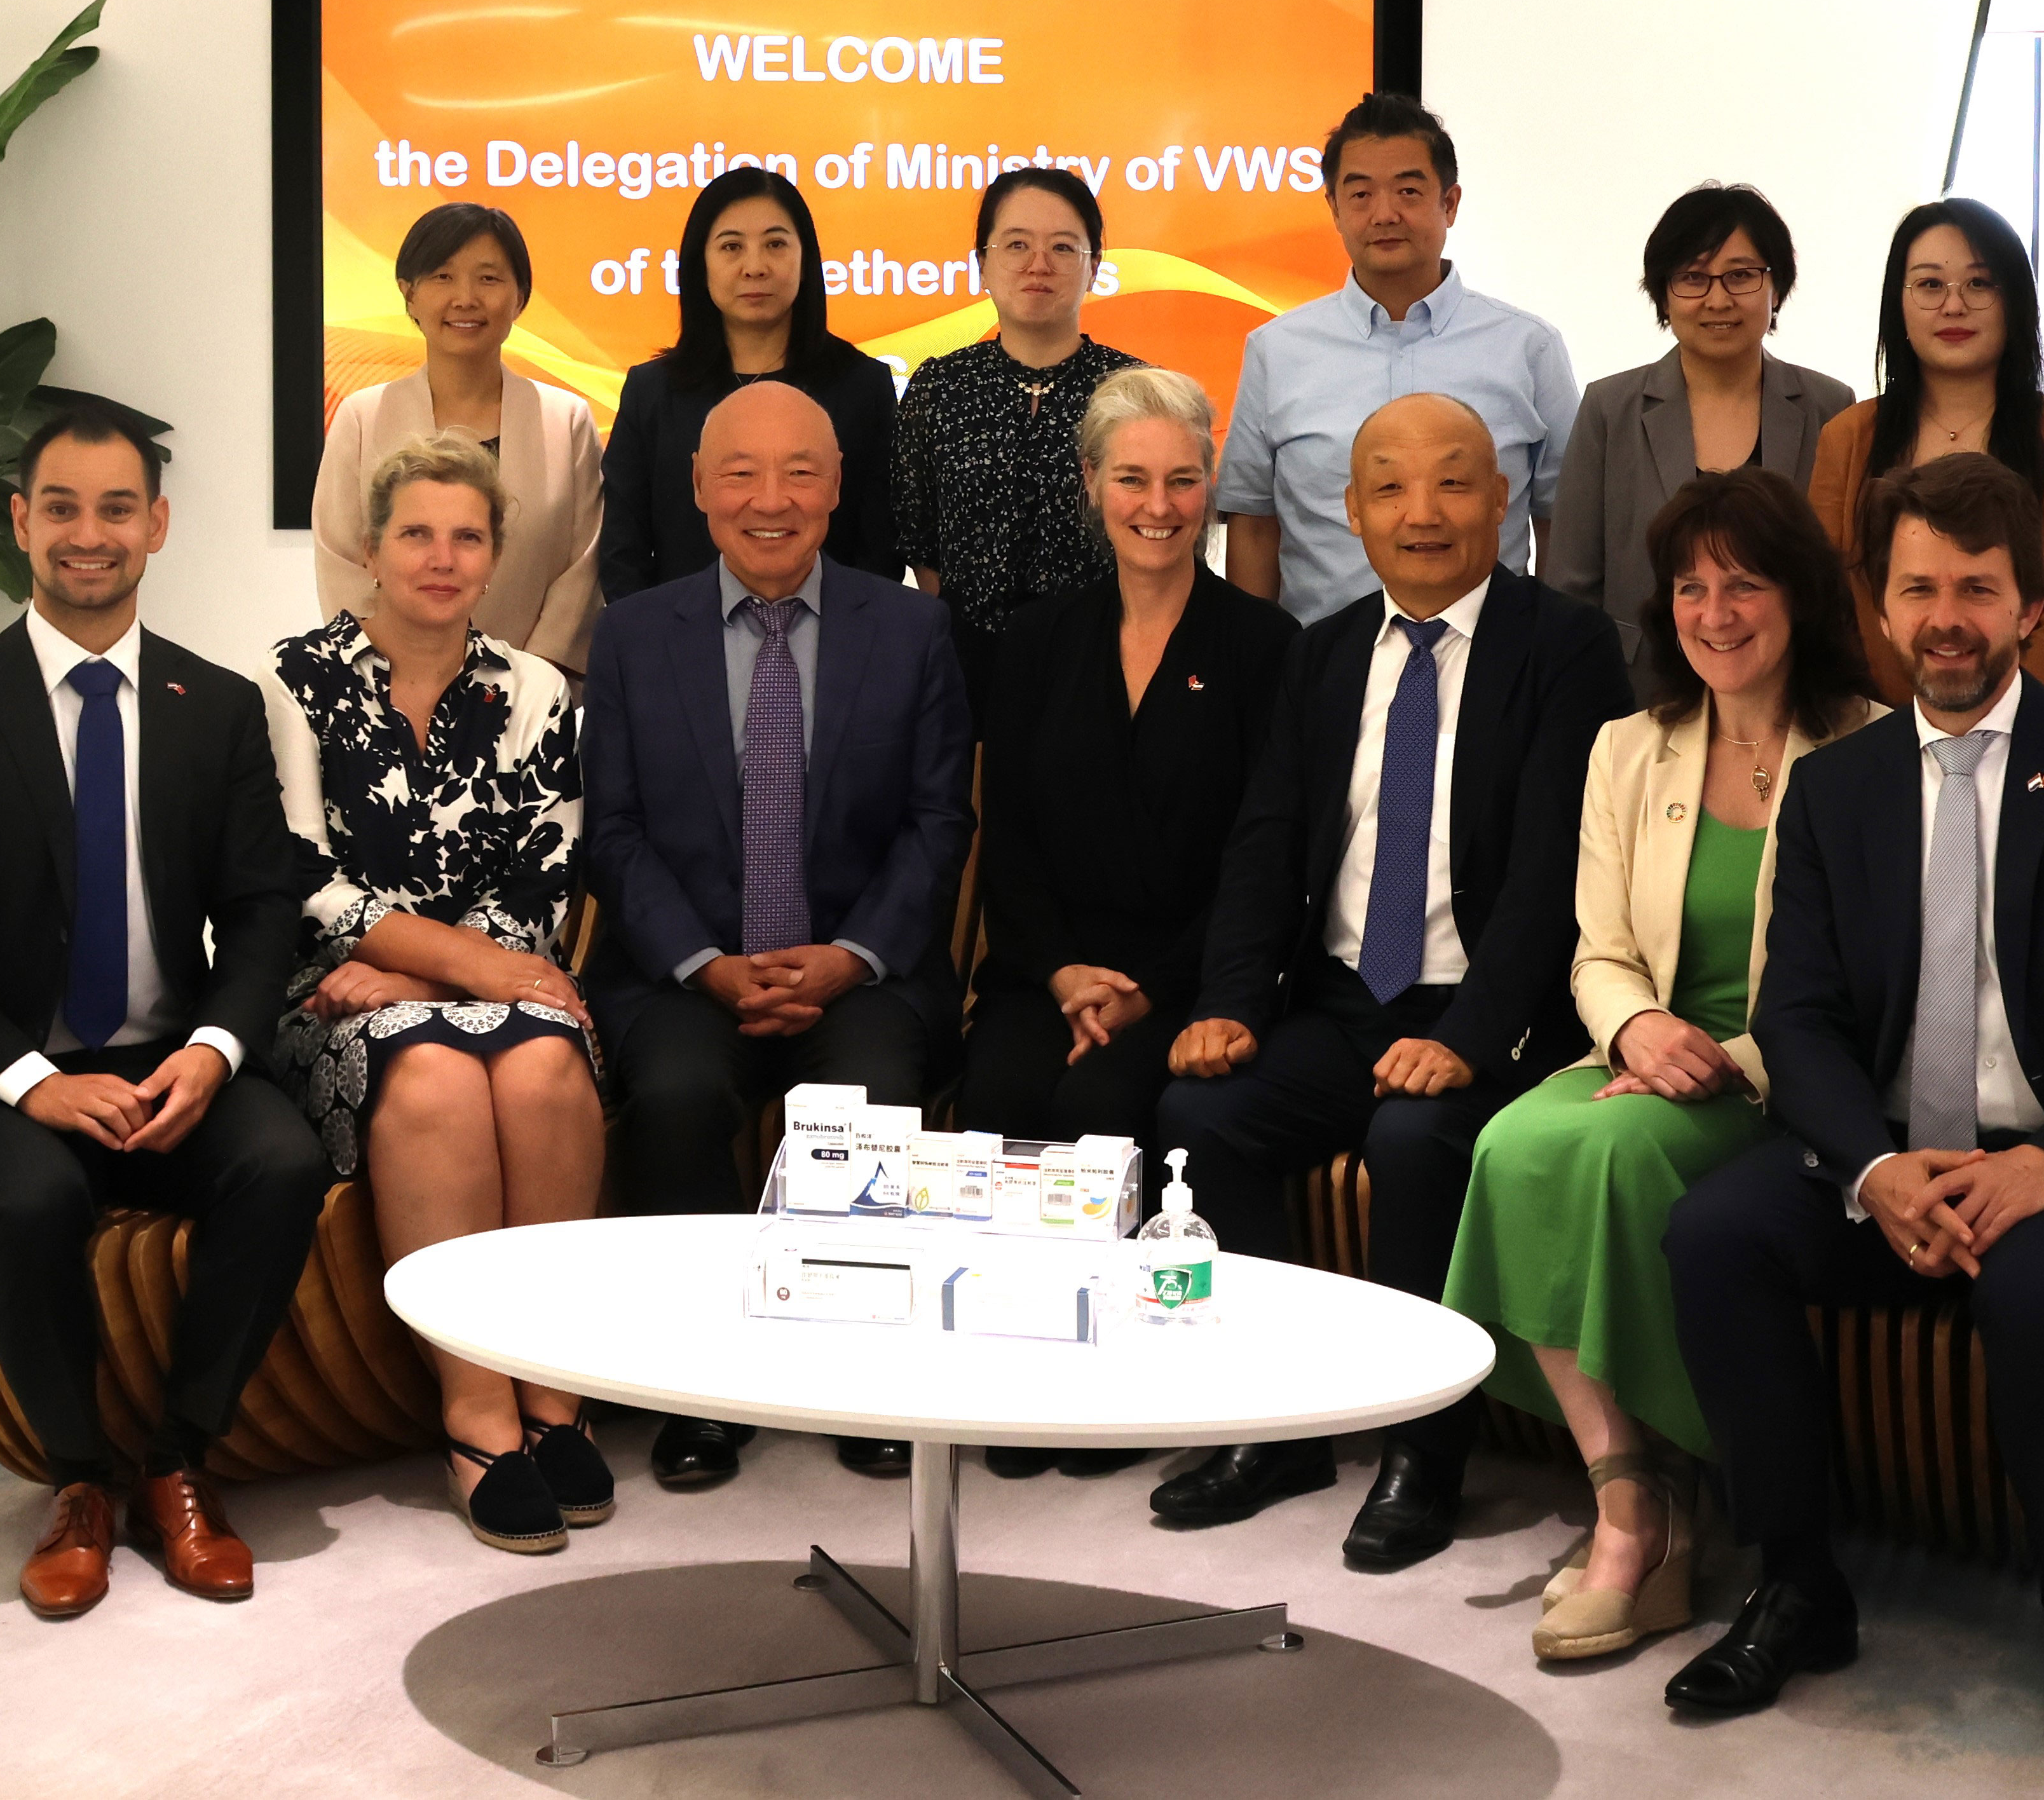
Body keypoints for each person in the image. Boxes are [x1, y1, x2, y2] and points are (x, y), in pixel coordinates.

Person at [1662, 451, 2044, 1752]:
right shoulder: (1837, 784)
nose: (1945, 618)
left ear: (2033, 605)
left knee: (2041, 1286)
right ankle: (1797, 1581)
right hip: (1891, 1156)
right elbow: (1795, 1013)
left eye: (1976, 587)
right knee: (1714, 1234)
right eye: (1918, 589)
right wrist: (1872, 1168)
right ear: (1880, 603)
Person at [0, 402, 332, 1621]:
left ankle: (178, 1460)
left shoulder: (213, 705)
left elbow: (261, 906)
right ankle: (76, 1483)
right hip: (2, 1076)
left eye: (117, 508)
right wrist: (32, 1083)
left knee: (281, 1162)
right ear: (21, 522)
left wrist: (216, 1051)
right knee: (31, 1198)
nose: (88, 534)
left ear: (156, 525)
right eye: (61, 507)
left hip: (169, 1060)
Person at [1150, 393, 1630, 1567]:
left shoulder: (1564, 646)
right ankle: (1279, 1425)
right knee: (1202, 1114)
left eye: (1455, 481)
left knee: (1416, 1142)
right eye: (1391, 487)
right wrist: (1226, 1003)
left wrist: (1468, 1035)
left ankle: (1425, 1452)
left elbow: (1553, 872)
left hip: (1492, 1013)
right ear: (1351, 511)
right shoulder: (1320, 653)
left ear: (1502, 500)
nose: (1424, 512)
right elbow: (1266, 843)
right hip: (1345, 1001)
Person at [1445, 466, 1881, 1662]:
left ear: (1798, 596)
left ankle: (1660, 1514)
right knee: (1512, 1143)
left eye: (1743, 585)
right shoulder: (1628, 748)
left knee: (1612, 1151)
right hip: (1639, 1054)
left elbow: (1872, 981)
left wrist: (1727, 1059)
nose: (1715, 613)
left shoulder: (1871, 747)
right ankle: (1633, 1497)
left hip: (1790, 1072)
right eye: (1691, 588)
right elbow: (1598, 950)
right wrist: (1637, 1030)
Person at [585, 381, 972, 1490]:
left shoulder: (910, 629)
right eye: (741, 474)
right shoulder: (631, 635)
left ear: (837, 486)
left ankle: (857, 1377)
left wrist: (852, 956)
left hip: (859, 969)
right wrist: (705, 965)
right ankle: (701, 1389)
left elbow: (938, 821)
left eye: (800, 471)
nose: (771, 499)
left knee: (869, 1097)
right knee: (673, 1096)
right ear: (698, 488)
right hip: (684, 972)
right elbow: (612, 831)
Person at [266, 433, 607, 1553]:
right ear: (370, 548)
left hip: (479, 971)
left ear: (495, 554)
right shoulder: (293, 677)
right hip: (331, 993)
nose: (442, 557)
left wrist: (427, 968)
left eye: (467, 536)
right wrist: (447, 973)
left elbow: (542, 880)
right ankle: (476, 1415)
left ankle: (552, 1392)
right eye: (416, 532)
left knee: (545, 1064)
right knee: (436, 1078)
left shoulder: (534, 688)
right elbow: (304, 877)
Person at [957, 369, 1297, 1478]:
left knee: (1105, 1105)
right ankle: (1017, 1374)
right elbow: (1007, 835)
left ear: (1211, 487)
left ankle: (1121, 1384)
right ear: (1091, 484)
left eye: (1182, 480)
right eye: (1133, 479)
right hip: (1046, 970)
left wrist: (1147, 987)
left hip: (1188, 979)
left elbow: (1261, 858)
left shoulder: (1265, 646)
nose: (1158, 505)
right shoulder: (1036, 637)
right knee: (1002, 1093)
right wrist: (1063, 973)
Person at [1216, 93, 1578, 626]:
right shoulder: (1277, 350)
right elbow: (1254, 523)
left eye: (1408, 191)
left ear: (1450, 203)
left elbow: (1560, 521)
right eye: (1360, 194)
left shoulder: (1528, 348)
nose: (1385, 214)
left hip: (1490, 657)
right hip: (1320, 660)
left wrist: (1547, 651)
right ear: (1335, 209)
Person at [1542, 183, 1857, 673]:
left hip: (1790, 680)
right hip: (1638, 684)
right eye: (1693, 278)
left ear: (1777, 287)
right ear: (1663, 296)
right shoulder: (1609, 408)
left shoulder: (1830, 406)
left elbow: (1841, 575)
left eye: (1741, 276)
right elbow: (1571, 582)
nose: (1718, 299)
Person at [1806, 197, 2044, 705]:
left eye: (1979, 284)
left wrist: (1988, 727)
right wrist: (1907, 726)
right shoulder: (1848, 437)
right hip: (1873, 727)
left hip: (2025, 731)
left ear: (2015, 300)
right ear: (1898, 303)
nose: (1954, 306)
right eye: (1930, 285)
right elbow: (1826, 606)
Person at [891, 165, 1144, 721]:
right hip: (965, 673)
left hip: (1106, 664)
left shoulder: (1135, 391)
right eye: (1017, 245)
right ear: (982, 264)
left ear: (1095, 267)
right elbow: (920, 539)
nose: (1039, 264)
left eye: (1063, 247)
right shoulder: (939, 388)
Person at [310, 203, 604, 674]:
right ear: (409, 294)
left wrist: (528, 685)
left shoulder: (566, 420)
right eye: (443, 277)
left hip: (531, 692)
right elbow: (341, 560)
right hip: (389, 691)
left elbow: (582, 570)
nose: (465, 298)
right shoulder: (362, 418)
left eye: (488, 278)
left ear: (520, 298)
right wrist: (390, 676)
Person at [601, 166, 903, 601]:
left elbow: (879, 553)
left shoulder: (863, 386)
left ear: (806, 260)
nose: (756, 267)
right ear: (700, 264)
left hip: (834, 633)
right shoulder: (651, 392)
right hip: (681, 636)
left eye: (776, 244)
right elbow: (622, 553)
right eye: (732, 247)